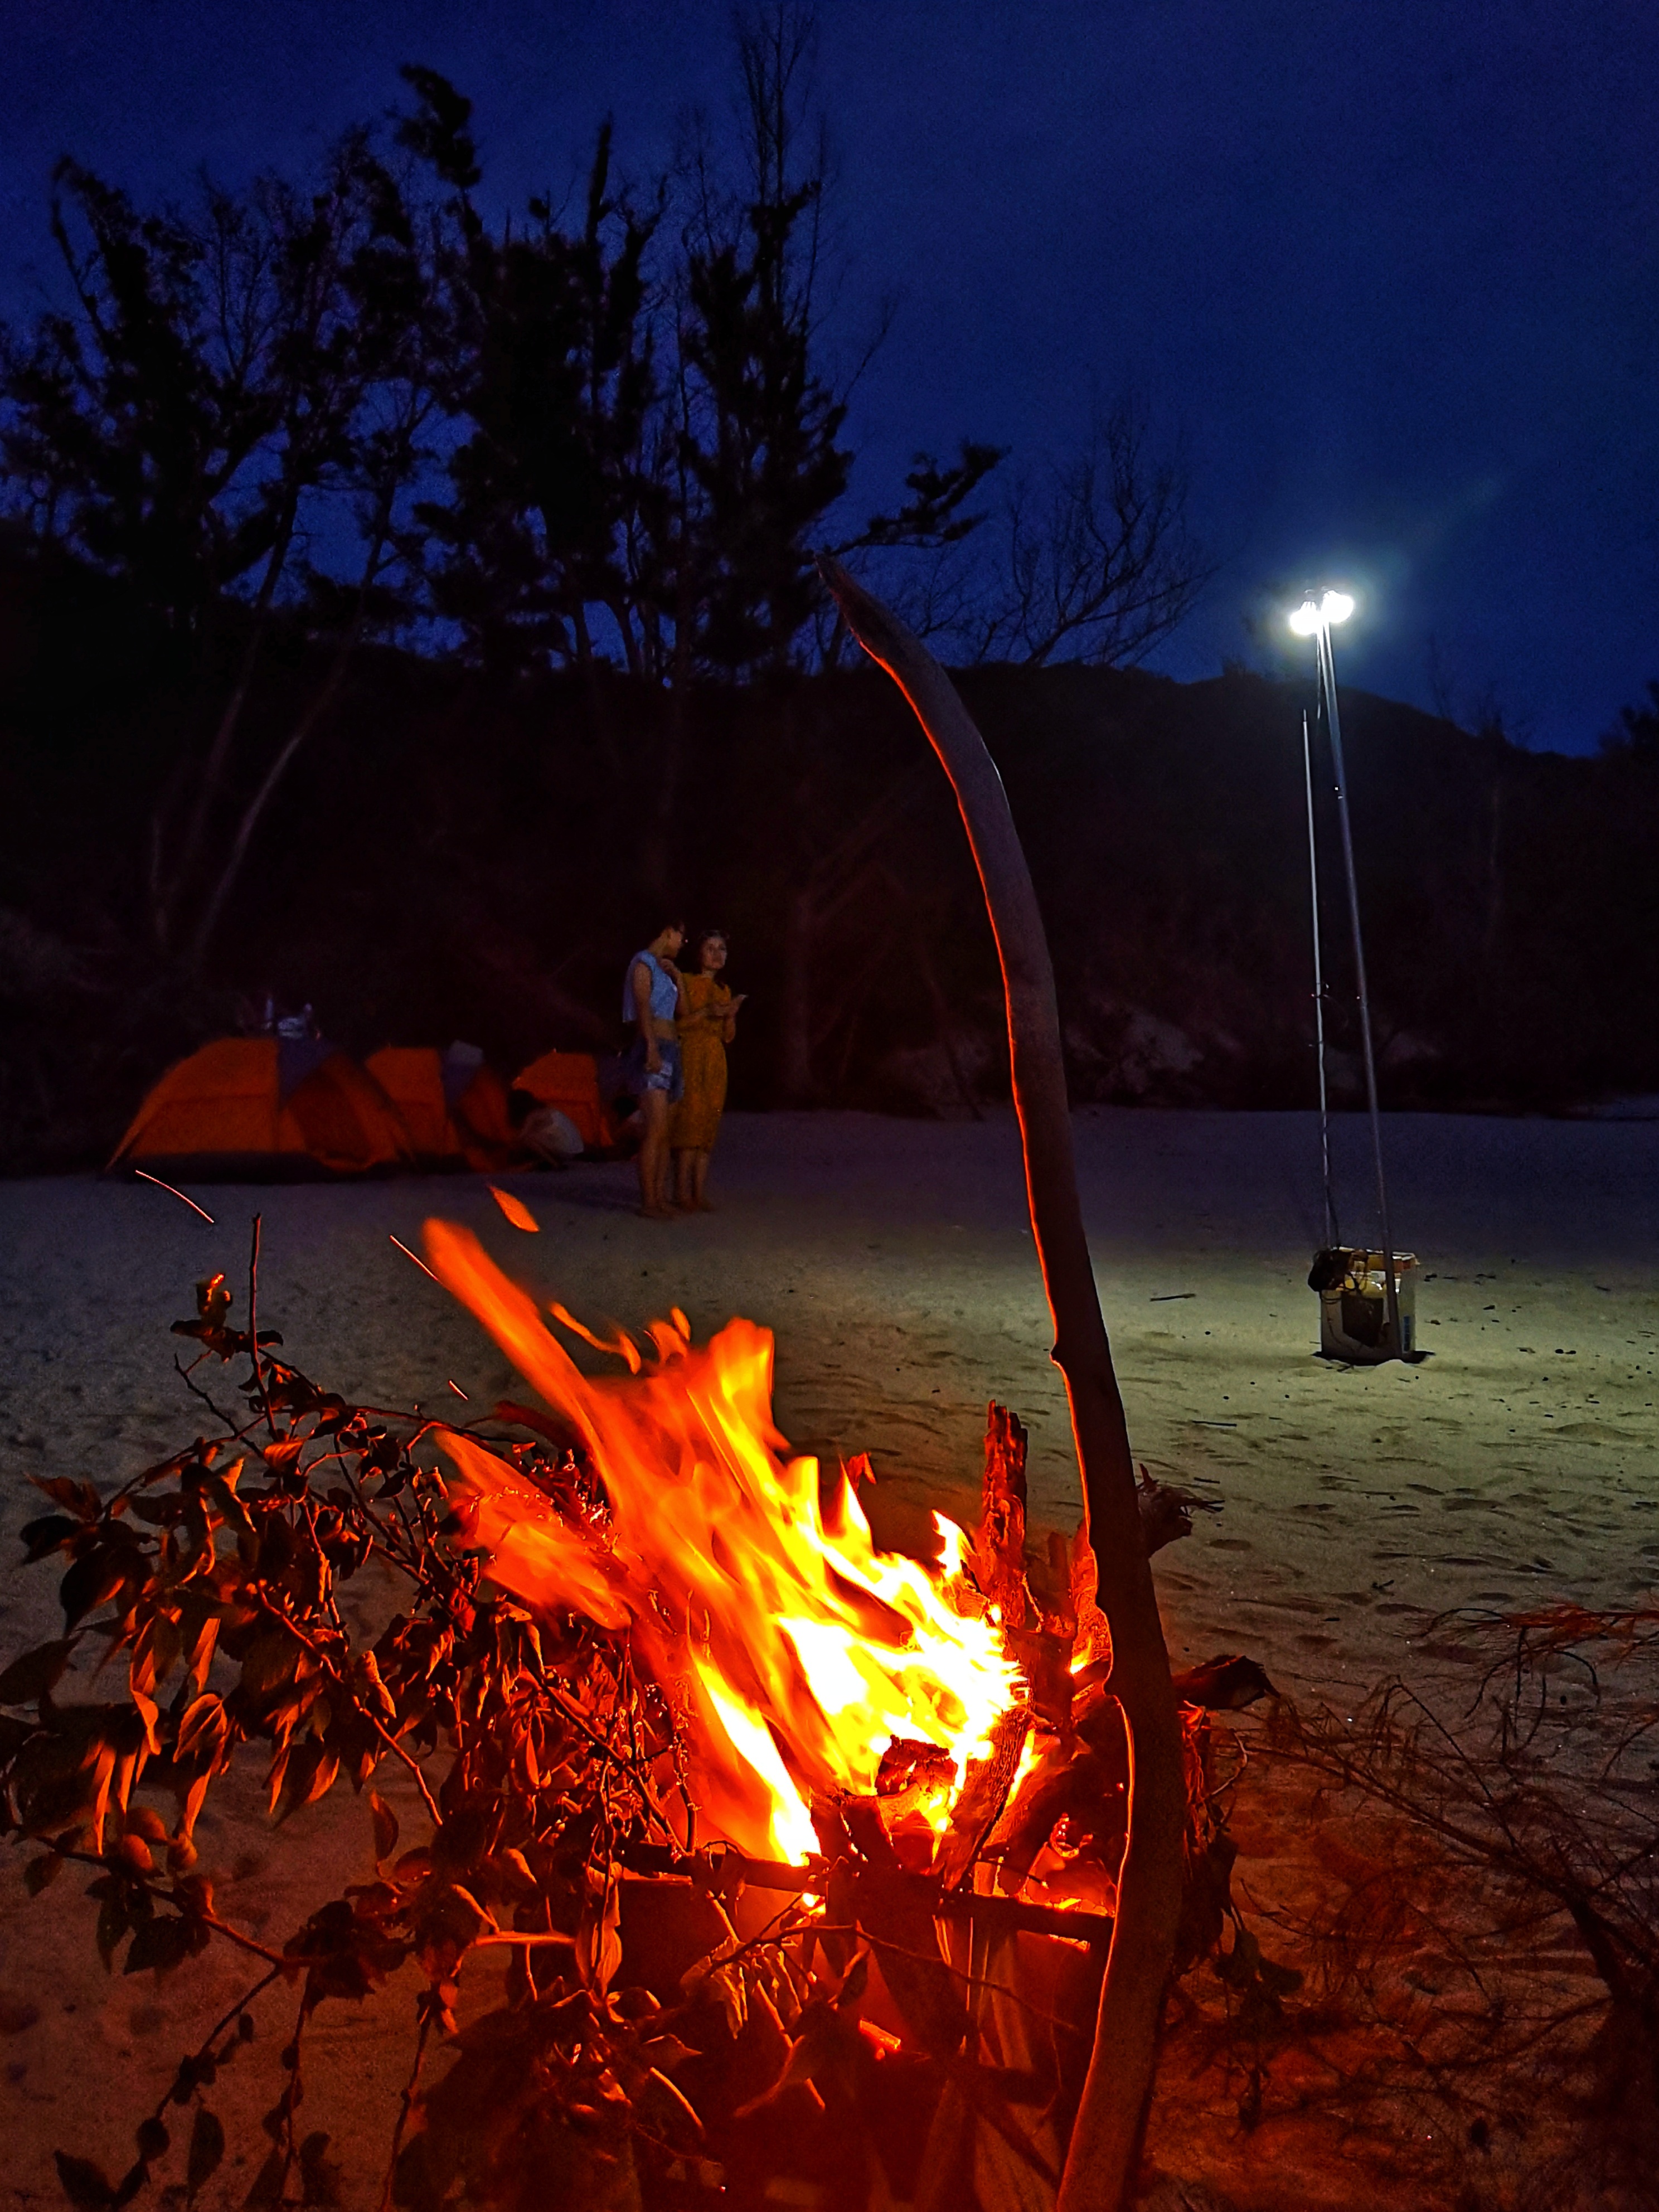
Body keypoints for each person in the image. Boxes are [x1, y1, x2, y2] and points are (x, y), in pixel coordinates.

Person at [670, 929, 745, 1211]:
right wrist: (707, 1013)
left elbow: (728, 1037)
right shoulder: (687, 982)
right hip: (692, 1053)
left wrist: (730, 1016)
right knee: (690, 1122)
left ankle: (698, 1193)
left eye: (722, 949)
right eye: (710, 948)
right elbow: (679, 1025)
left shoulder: (723, 989)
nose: (716, 954)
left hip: (715, 1058)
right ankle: (681, 1193)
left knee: (708, 1126)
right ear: (699, 953)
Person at [623, 920, 687, 1219]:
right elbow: (642, 1006)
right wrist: (650, 1047)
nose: (680, 944)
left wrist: (678, 979)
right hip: (655, 1046)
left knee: (665, 1132)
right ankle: (649, 1201)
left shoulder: (665, 970)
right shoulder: (643, 962)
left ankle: (659, 1196)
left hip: (672, 1048)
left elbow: (681, 1013)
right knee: (655, 1127)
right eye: (681, 938)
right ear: (668, 932)